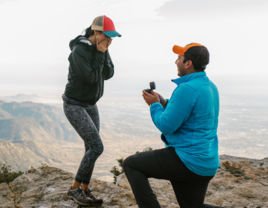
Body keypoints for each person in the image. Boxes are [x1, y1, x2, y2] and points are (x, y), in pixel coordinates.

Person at [123, 43, 222, 208]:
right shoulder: (210, 87)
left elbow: (167, 125)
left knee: (131, 164)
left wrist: (154, 105)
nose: (176, 61)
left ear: (188, 63)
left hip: (187, 160)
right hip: (206, 162)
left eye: (179, 58)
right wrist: (163, 102)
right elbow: (190, 114)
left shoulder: (187, 88)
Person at [63, 15, 121, 206]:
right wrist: (99, 54)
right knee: (97, 147)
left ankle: (85, 189)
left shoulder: (100, 48)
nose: (109, 40)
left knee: (90, 148)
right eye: (107, 35)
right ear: (96, 32)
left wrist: (103, 52)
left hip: (91, 105)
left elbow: (109, 73)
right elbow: (91, 78)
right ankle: (73, 190)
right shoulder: (80, 50)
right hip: (75, 104)